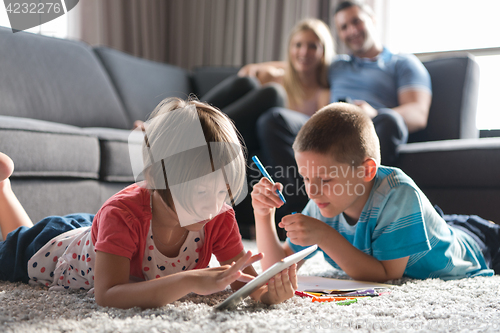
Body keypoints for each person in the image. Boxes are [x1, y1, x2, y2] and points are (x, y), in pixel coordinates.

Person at [0, 98, 297, 309]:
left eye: (223, 192)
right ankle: (3, 187)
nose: (213, 207)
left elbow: (244, 281)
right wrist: (188, 280)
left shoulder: (218, 214)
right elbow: (108, 295)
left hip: (101, 235)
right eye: (202, 193)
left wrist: (267, 293)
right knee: (16, 248)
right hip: (56, 245)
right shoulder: (122, 214)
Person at [252, 102, 500, 282]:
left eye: (326, 179)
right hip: (429, 224)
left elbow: (386, 274)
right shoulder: (323, 200)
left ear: (366, 171)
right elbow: (279, 267)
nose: (312, 191)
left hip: (479, 243)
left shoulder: (398, 192)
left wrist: (324, 236)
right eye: (305, 178)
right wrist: (263, 215)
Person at [253, 0, 432, 219]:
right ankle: (300, 208)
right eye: (344, 27)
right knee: (274, 119)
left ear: (373, 20)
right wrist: (255, 69)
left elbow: (418, 114)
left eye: (356, 21)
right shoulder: (337, 65)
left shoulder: (401, 63)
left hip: (373, 127)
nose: (352, 30)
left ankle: (364, 210)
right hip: (331, 126)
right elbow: (297, 61)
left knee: (390, 120)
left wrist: (373, 113)